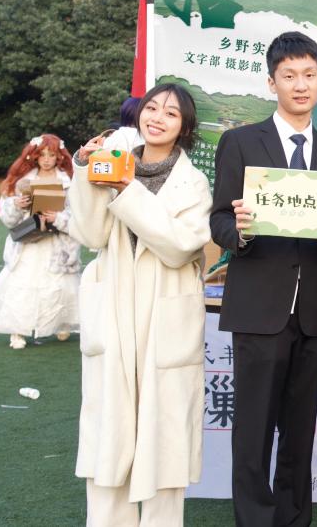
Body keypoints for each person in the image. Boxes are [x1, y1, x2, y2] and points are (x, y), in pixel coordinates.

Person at [210, 31, 317, 526]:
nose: (300, 85)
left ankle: (295, 519)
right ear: (271, 82)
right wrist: (241, 231)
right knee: (253, 431)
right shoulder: (240, 142)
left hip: (314, 311)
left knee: (299, 432)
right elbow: (219, 220)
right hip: (258, 308)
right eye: (289, 75)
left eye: (309, 75)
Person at [68, 84, 212, 525]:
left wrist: (127, 190)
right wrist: (84, 172)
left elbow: (180, 246)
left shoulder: (193, 182)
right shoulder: (112, 165)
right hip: (114, 307)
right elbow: (90, 234)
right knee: (108, 437)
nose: (157, 118)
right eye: (151, 108)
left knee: (163, 440)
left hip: (165, 312)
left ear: (184, 127)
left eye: (171, 113)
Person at [0, 134, 80, 349]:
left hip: (57, 243)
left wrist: (57, 218)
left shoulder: (70, 182)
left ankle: (62, 323)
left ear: (59, 157)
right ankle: (17, 330)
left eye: (52, 155)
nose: (47, 160)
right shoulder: (21, 181)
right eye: (42, 155)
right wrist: (17, 205)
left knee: (59, 286)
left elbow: (78, 214)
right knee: (24, 285)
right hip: (28, 243)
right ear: (34, 156)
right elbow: (7, 218)